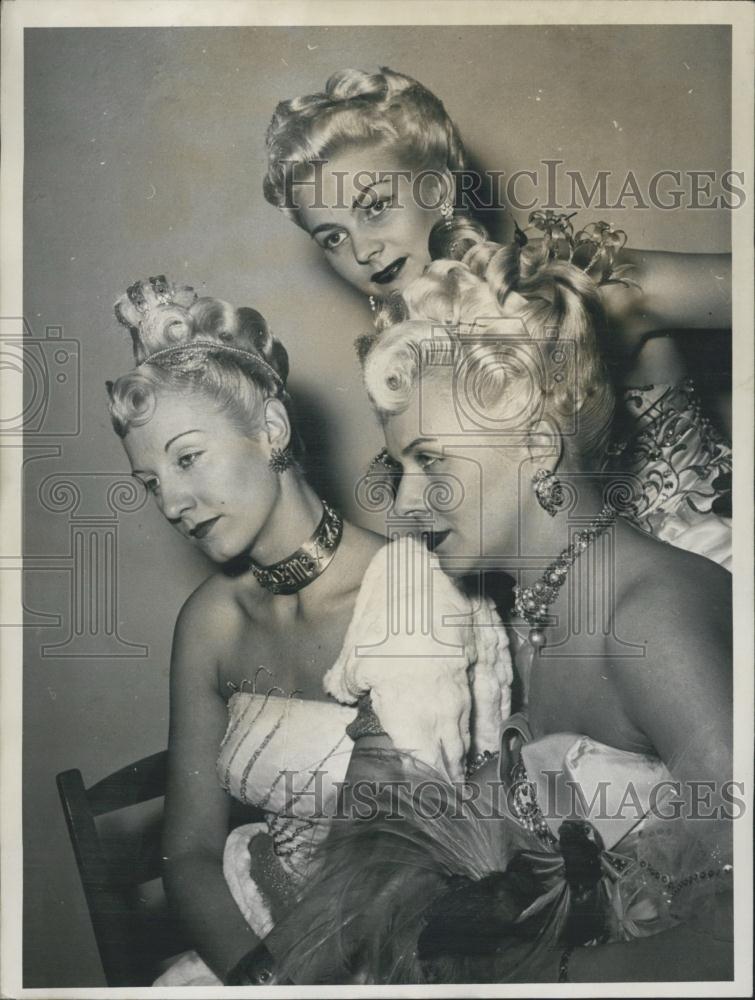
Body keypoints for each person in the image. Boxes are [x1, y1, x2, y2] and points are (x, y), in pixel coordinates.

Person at [251, 236, 733, 985]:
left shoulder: (649, 621)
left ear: (537, 445)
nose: (406, 502)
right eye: (399, 468)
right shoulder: (516, 613)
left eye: (431, 461)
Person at [106, 275, 513, 986]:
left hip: (413, 946)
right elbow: (189, 853)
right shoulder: (208, 623)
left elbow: (411, 867)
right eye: (150, 484)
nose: (171, 501)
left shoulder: (407, 596)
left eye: (188, 458)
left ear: (270, 430)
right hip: (262, 949)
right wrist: (258, 977)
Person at [263, 67, 732, 568]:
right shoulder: (408, 359)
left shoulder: (576, 282)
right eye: (333, 236)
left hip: (705, 576)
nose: (362, 250)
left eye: (375, 207)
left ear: (439, 189)